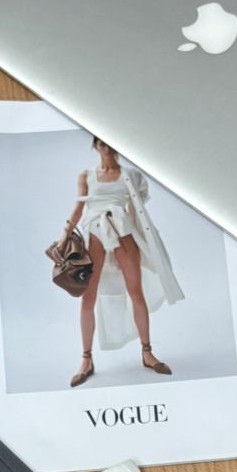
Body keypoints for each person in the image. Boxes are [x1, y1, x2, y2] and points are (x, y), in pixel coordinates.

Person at [64, 138, 183, 387]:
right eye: (101, 144)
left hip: (124, 232)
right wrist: (64, 237)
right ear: (95, 146)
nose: (107, 148)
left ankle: (147, 353)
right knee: (88, 297)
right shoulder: (86, 176)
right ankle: (86, 360)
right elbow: (79, 208)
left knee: (135, 291)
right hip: (95, 234)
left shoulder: (131, 175)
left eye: (110, 143)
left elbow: (138, 206)